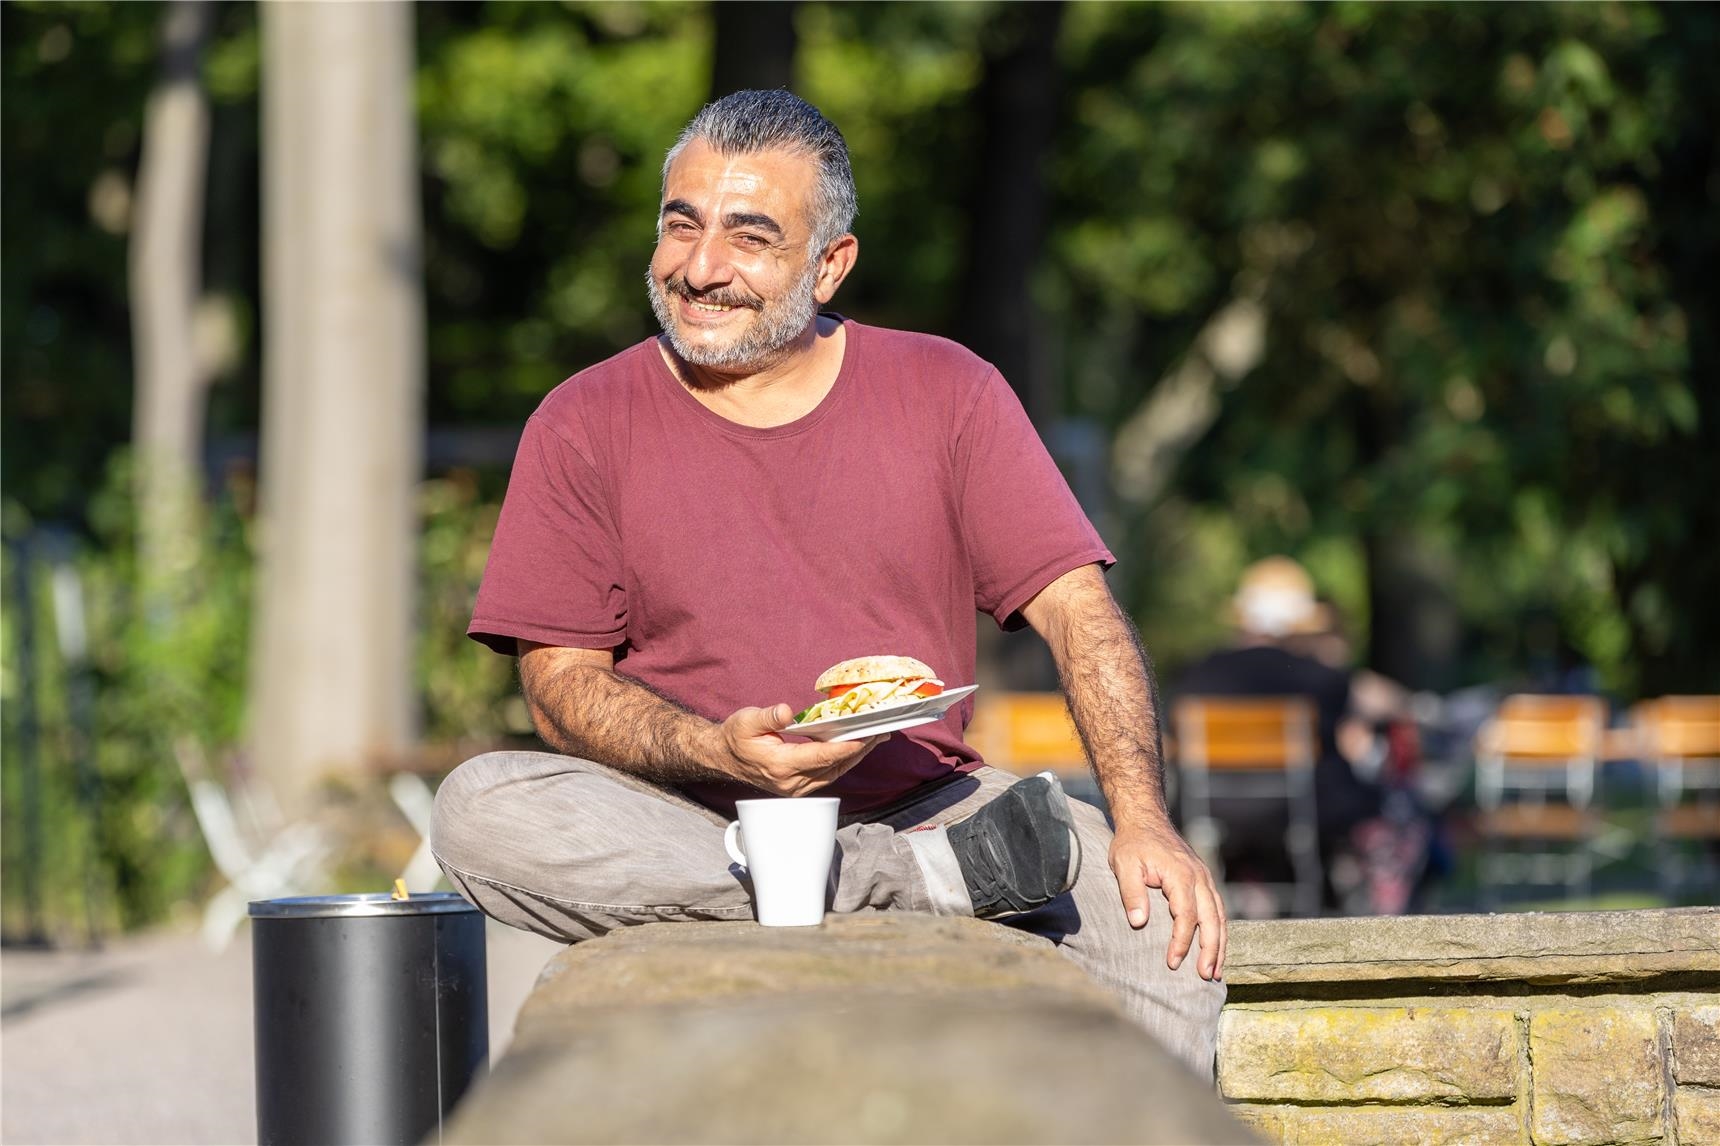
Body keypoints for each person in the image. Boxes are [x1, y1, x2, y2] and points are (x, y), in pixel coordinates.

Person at [430, 89, 1226, 1078]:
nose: (701, 267)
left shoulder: (948, 391)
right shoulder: (581, 420)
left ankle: (926, 886)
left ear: (830, 262)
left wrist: (1144, 822)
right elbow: (559, 680)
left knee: (1165, 929)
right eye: (682, 225)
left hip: (936, 804)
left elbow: (1078, 610)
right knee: (478, 808)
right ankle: (912, 886)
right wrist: (710, 745)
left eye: (749, 238)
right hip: (690, 824)